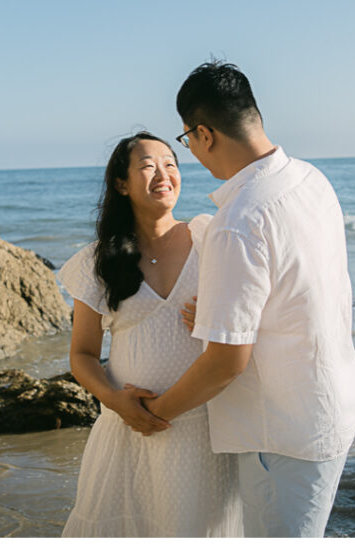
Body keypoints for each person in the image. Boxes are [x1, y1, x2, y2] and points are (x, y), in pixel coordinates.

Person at [139, 62, 355, 538]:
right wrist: (226, 312)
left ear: (204, 133)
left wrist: (155, 413)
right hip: (333, 402)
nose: (192, 153)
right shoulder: (310, 180)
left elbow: (226, 362)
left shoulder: (238, 220)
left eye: (185, 141)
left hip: (282, 429)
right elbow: (308, 287)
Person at [56, 131, 243, 537]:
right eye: (147, 166)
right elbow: (83, 354)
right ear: (121, 184)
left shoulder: (210, 238)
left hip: (204, 429)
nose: (163, 174)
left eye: (171, 164)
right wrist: (116, 402)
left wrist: (215, 323)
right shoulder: (97, 261)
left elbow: (252, 324)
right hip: (128, 429)